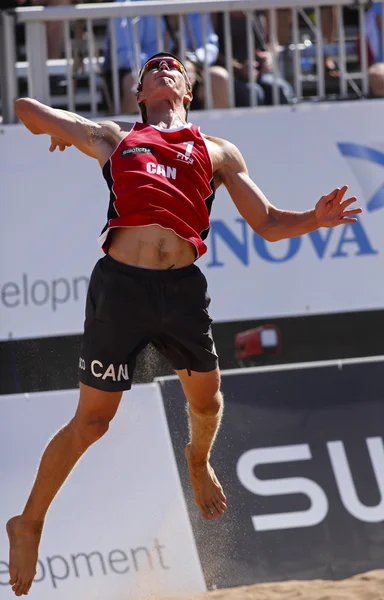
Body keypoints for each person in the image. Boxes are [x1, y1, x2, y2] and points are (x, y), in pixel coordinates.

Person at [7, 52, 361, 597]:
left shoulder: (216, 151)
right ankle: (28, 522)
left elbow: (264, 222)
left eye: (175, 68)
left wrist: (315, 219)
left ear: (188, 91)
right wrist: (59, 129)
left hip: (180, 290)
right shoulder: (114, 137)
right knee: (93, 423)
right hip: (121, 287)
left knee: (208, 404)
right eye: (154, 68)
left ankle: (197, 460)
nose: (166, 69)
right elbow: (25, 106)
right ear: (139, 92)